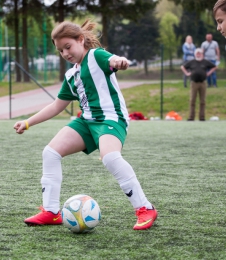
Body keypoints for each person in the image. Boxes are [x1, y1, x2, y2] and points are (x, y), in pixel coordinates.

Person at [13, 20, 158, 231]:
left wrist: (119, 62)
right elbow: (57, 106)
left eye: (68, 47)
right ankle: (51, 212)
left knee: (109, 157)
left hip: (111, 118)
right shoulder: (71, 75)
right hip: (86, 122)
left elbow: (113, 60)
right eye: (60, 50)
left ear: (81, 40)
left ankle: (145, 208)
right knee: (50, 153)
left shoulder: (96, 56)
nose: (65, 53)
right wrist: (28, 122)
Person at [181, 48, 217, 121]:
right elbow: (182, 67)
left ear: (202, 54)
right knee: (192, 100)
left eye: (199, 53)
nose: (198, 54)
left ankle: (202, 117)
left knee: (202, 101)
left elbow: (214, 66)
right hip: (194, 82)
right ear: (195, 54)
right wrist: (187, 73)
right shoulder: (192, 62)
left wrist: (209, 73)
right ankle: (191, 117)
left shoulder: (205, 62)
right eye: (197, 53)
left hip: (203, 82)